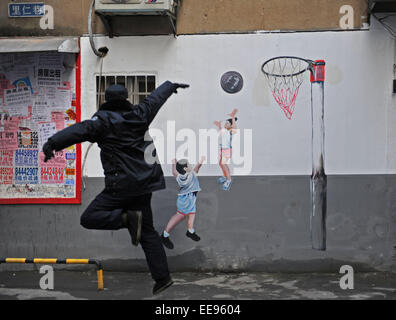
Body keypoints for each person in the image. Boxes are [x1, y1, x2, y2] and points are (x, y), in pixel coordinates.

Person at [42, 81, 189, 295]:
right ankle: (163, 278)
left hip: (120, 186)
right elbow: (154, 99)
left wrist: (52, 143)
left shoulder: (102, 122)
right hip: (144, 185)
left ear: (107, 102)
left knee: (90, 217)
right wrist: (169, 86)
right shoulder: (140, 114)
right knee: (147, 232)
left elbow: (77, 131)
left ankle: (128, 219)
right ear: (127, 100)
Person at [161, 157, 205, 249]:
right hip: (187, 200)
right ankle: (165, 235)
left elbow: (174, 172)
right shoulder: (191, 174)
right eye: (189, 165)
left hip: (187, 199)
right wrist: (201, 161)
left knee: (191, 214)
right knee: (180, 216)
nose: (191, 166)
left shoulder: (180, 177)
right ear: (185, 169)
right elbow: (197, 168)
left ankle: (190, 231)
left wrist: (174, 163)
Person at [213, 108, 238, 191]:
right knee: (221, 163)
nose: (226, 124)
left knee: (223, 164)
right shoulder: (224, 131)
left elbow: (234, 127)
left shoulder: (231, 131)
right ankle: (225, 176)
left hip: (227, 151)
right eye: (226, 123)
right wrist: (219, 125)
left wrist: (233, 117)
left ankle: (228, 180)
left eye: (227, 123)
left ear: (230, 126)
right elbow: (220, 132)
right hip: (223, 150)